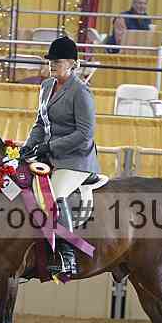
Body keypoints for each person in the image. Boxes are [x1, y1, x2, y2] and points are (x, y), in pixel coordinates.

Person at [21, 36, 101, 279]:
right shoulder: (46, 86)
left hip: (75, 159)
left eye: (57, 61)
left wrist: (49, 146)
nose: (52, 65)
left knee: (53, 195)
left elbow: (84, 134)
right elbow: (40, 123)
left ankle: (67, 255)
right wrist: (28, 146)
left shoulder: (81, 92)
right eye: (50, 61)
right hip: (48, 154)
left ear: (72, 63)